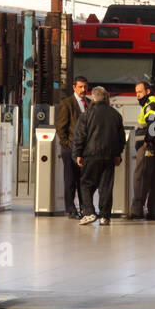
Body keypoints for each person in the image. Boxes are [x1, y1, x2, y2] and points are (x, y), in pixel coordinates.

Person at [72, 86, 125, 226]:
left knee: (85, 184)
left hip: (91, 156)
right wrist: (118, 154)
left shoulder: (87, 114)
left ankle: (89, 213)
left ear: (93, 98)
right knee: (106, 187)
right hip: (109, 157)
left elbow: (80, 136)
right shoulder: (115, 115)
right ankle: (105, 217)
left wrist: (77, 154)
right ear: (106, 98)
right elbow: (120, 138)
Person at [129, 79, 155, 221]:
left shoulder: (150, 104)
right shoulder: (152, 103)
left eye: (140, 92)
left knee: (140, 177)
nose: (137, 95)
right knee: (153, 180)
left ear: (148, 91)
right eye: (136, 92)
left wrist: (147, 141)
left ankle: (137, 210)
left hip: (149, 148)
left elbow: (154, 125)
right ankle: (153, 211)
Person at [55, 76, 91, 219]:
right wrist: (67, 145)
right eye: (81, 87)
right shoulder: (67, 103)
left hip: (85, 149)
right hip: (70, 148)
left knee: (83, 180)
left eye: (85, 87)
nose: (83, 90)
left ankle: (84, 207)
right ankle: (70, 208)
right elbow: (61, 127)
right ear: (74, 87)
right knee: (70, 180)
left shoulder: (88, 103)